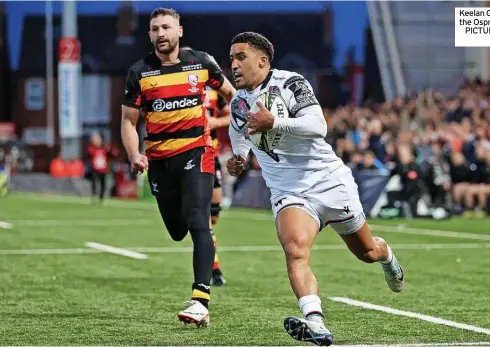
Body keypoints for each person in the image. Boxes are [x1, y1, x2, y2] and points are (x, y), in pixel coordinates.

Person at [226, 32, 404, 346]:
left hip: (328, 180)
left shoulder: (291, 83)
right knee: (295, 250)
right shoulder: (239, 102)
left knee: (366, 252)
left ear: (262, 60)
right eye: (231, 58)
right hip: (288, 190)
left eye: (241, 57)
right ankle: (316, 322)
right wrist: (239, 156)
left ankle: (386, 255)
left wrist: (275, 123)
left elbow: (319, 126)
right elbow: (238, 132)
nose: (234, 64)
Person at [121, 8, 236, 327]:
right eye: (155, 28)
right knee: (177, 230)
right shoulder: (139, 72)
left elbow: (232, 96)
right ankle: (188, 231)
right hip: (159, 162)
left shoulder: (202, 62)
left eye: (166, 27)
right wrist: (134, 154)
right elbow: (129, 123)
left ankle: (200, 299)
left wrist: (241, 131)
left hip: (197, 153)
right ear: (149, 35)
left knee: (200, 222)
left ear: (179, 31)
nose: (161, 33)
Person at [181, 45, 230, 286]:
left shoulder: (214, 89)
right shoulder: (173, 89)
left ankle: (212, 257)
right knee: (203, 219)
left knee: (214, 214)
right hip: (190, 158)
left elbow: (235, 115)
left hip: (213, 155)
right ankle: (214, 268)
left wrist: (214, 121)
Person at [87, 132, 118, 203]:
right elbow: (87, 156)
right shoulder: (92, 149)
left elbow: (115, 154)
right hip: (94, 169)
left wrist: (111, 150)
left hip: (103, 169)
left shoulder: (105, 148)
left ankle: (101, 197)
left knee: (103, 183)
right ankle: (94, 194)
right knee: (94, 181)